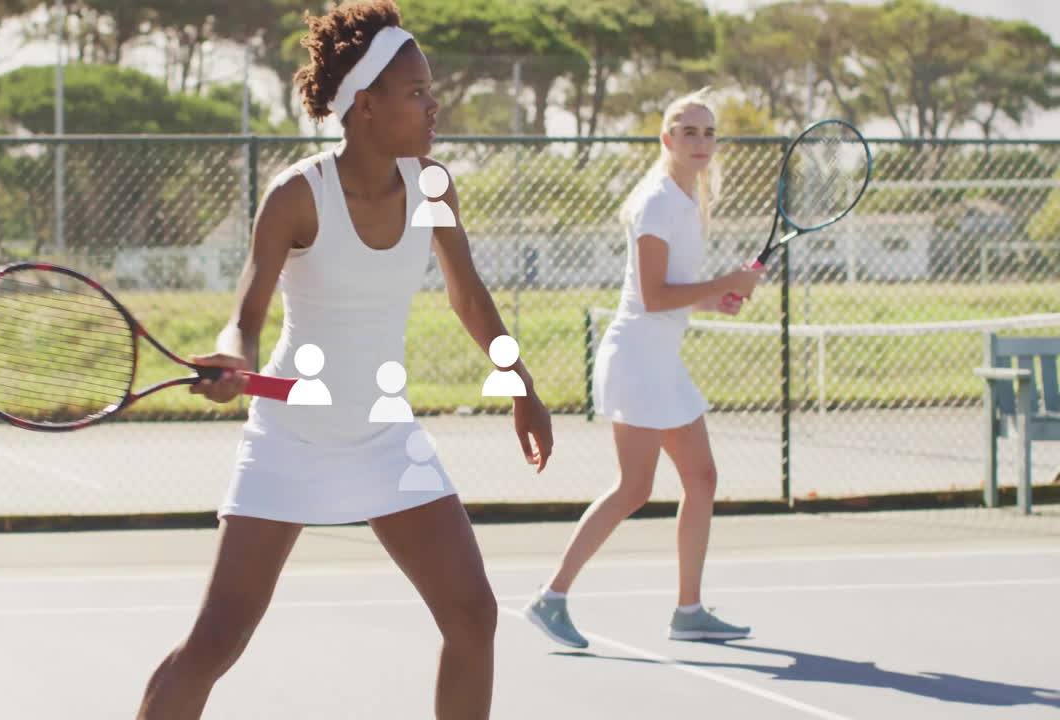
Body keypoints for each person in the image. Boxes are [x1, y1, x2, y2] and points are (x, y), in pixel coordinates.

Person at [135, 2, 554, 718]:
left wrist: (523, 385)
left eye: (430, 89)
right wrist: (232, 361)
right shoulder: (296, 196)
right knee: (216, 643)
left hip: (386, 439)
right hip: (290, 443)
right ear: (365, 105)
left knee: (473, 617)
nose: (434, 105)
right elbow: (246, 318)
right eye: (417, 91)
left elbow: (469, 297)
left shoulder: (432, 186)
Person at [522, 88, 763, 648]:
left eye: (708, 132)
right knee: (634, 487)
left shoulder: (683, 201)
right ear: (667, 140)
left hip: (660, 361)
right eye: (688, 131)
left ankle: (688, 610)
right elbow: (652, 296)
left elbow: (670, 294)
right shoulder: (658, 201)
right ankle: (550, 597)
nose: (700, 141)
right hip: (637, 358)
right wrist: (726, 281)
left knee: (701, 479)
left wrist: (713, 299)